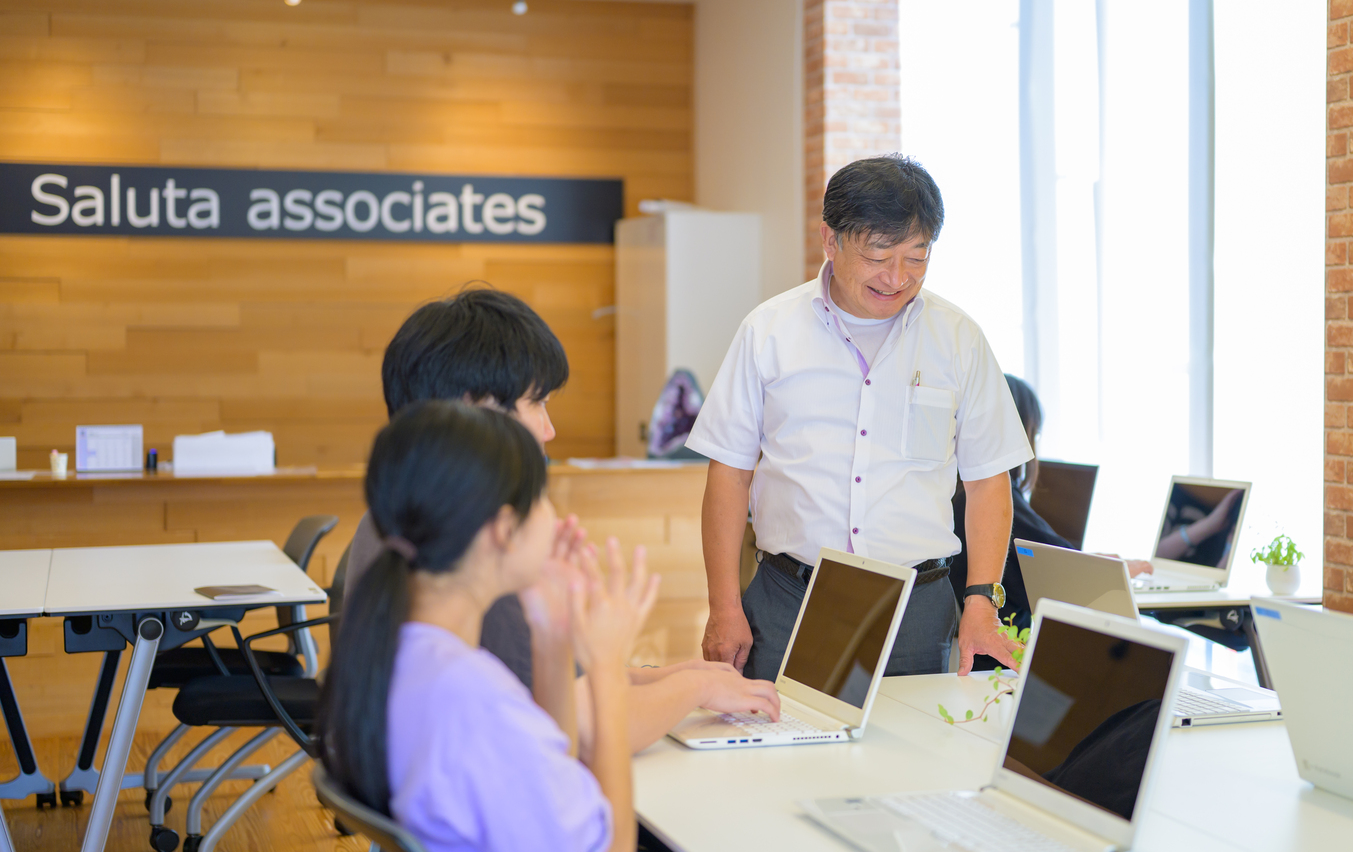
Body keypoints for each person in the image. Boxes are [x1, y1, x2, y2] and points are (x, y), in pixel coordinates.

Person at [345, 287, 780, 751]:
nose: (549, 431)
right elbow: (582, 726)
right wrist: (696, 688)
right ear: (475, 411)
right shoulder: (479, 549)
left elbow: (562, 685)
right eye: (537, 404)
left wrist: (673, 677)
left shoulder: (399, 514)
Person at [689, 155, 1032, 681]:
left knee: (913, 737)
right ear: (831, 240)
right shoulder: (769, 331)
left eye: (916, 257)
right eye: (878, 255)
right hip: (789, 598)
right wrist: (723, 606)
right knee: (778, 733)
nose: (897, 277)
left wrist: (982, 599)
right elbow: (730, 474)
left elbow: (988, 480)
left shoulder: (958, 338)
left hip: (917, 605)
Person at [318, 400, 653, 852]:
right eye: (541, 500)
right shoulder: (471, 696)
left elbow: (548, 770)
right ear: (503, 529)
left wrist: (552, 637)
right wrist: (608, 668)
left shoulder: (405, 656)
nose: (557, 519)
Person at [950, 374, 1149, 672]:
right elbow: (1063, 573)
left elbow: (1051, 558)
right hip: (1000, 663)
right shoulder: (995, 504)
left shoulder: (955, 493)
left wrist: (1092, 561)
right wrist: (1115, 571)